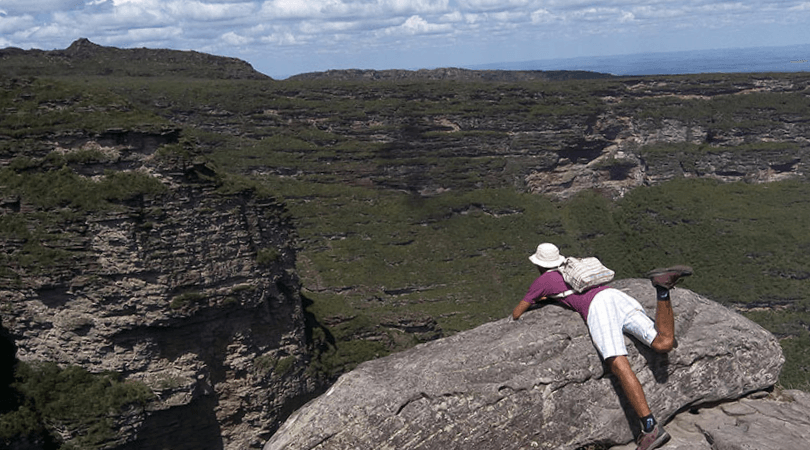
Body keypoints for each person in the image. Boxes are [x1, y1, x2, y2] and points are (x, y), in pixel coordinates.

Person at [511, 243, 692, 450]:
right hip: (616, 297)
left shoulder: (544, 280)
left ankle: (650, 428)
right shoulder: (568, 269)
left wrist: (538, 298)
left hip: (599, 306)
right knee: (663, 342)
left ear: (538, 264)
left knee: (617, 362)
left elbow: (517, 313)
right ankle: (662, 289)